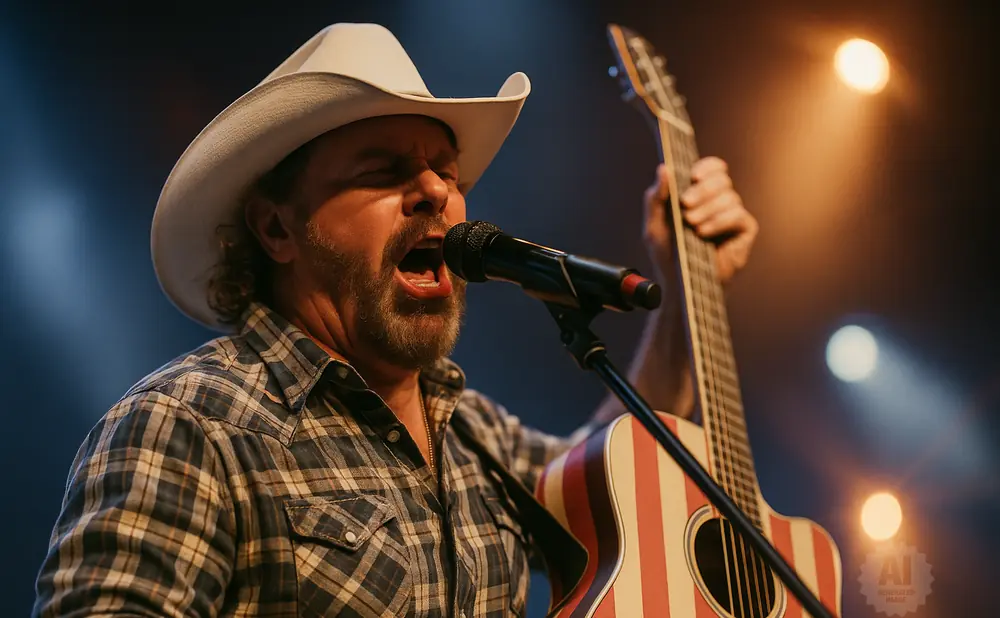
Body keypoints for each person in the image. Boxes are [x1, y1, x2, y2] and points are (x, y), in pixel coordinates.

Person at [33, 23, 758, 618]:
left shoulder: (473, 432)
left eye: (448, 171)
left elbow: (623, 477)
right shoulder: (189, 427)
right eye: (382, 170)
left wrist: (690, 287)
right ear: (277, 230)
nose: (433, 191)